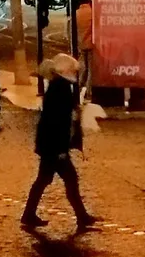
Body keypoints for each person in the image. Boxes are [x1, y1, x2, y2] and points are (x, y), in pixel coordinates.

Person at [21, 53, 98, 232]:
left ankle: (29, 214)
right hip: (54, 147)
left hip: (49, 145)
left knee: (44, 180)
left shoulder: (57, 87)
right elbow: (59, 122)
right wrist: (61, 149)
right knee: (69, 179)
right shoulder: (61, 89)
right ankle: (82, 217)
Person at [75, 0, 93, 92]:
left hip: (80, 44)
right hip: (90, 44)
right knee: (91, 69)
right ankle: (88, 90)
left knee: (83, 67)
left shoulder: (76, 13)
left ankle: (79, 85)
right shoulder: (92, 13)